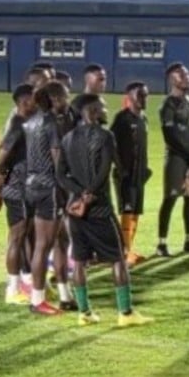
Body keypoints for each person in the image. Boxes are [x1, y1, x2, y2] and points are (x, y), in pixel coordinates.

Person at [56, 94, 153, 327]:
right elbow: (107, 168)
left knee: (79, 260)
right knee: (118, 258)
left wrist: (79, 193)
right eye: (102, 106)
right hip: (100, 209)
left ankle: (84, 313)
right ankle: (125, 313)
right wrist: (90, 192)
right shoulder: (105, 135)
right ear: (91, 110)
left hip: (76, 211)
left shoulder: (67, 138)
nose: (105, 109)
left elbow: (60, 175)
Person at [23, 81, 76, 314]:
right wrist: (70, 191)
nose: (68, 100)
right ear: (54, 99)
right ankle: (37, 301)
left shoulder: (31, 121)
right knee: (44, 245)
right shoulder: (51, 123)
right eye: (65, 97)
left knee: (61, 242)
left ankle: (65, 295)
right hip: (50, 189)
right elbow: (58, 163)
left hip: (32, 186)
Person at [0, 84, 37, 305]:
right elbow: (0, 159)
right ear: (24, 102)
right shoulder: (18, 125)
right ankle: (13, 288)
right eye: (34, 99)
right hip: (17, 189)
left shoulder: (29, 123)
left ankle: (25, 283)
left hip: (25, 187)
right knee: (17, 238)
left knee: (24, 235)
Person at [156, 62, 189, 256]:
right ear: (172, 79)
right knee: (170, 198)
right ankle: (161, 244)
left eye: (187, 73)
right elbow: (169, 137)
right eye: (181, 75)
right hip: (176, 159)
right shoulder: (167, 105)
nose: (187, 77)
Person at [110, 82, 152, 266]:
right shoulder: (122, 119)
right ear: (129, 97)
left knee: (135, 212)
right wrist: (120, 167)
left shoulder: (144, 118)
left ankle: (129, 249)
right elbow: (110, 144)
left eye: (145, 95)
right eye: (140, 95)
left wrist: (146, 169)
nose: (143, 99)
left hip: (139, 174)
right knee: (126, 211)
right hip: (125, 174)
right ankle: (123, 252)